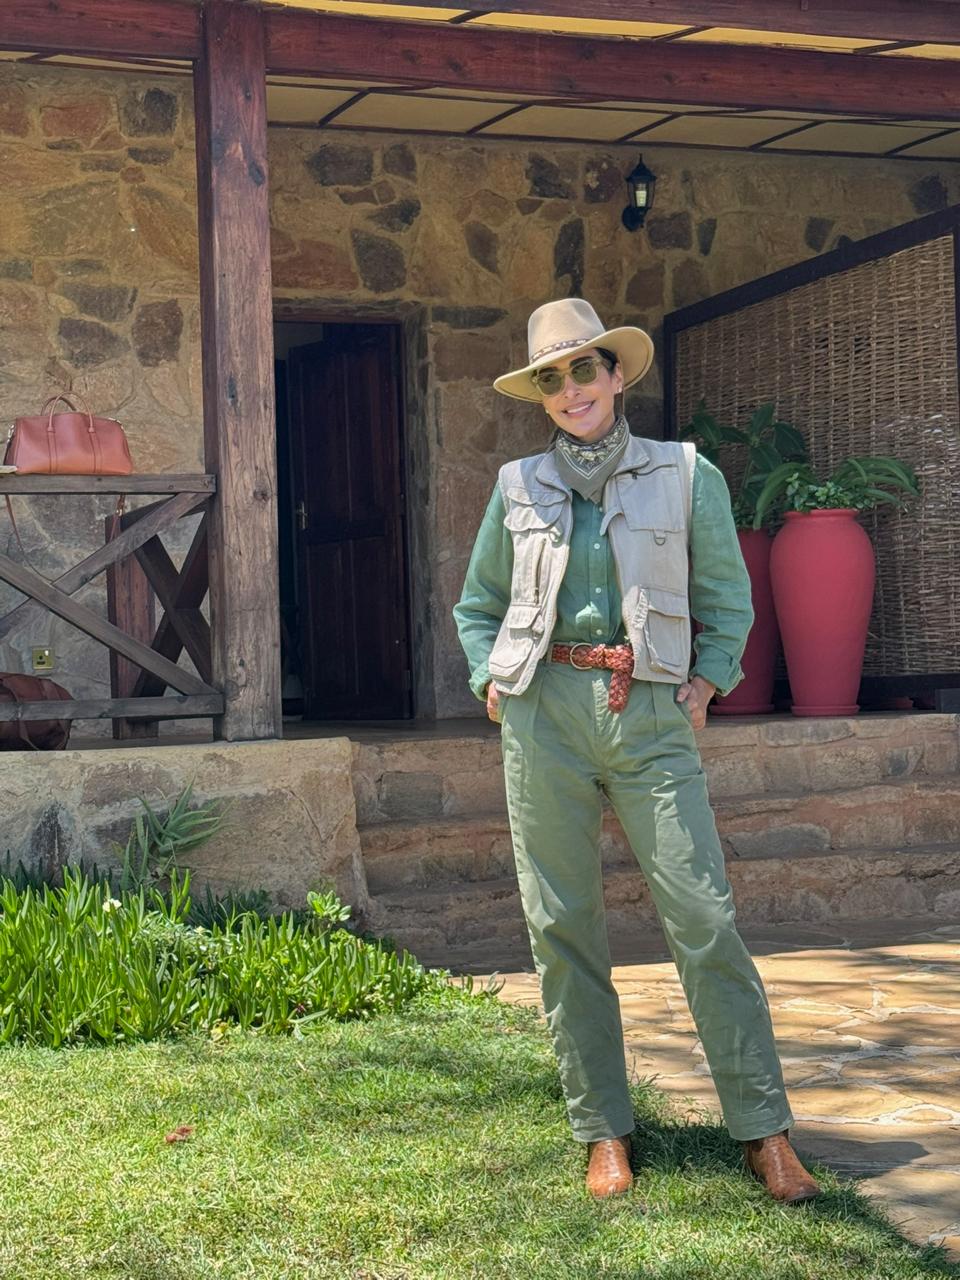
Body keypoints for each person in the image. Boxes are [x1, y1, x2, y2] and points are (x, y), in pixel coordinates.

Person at [453, 298, 820, 1204]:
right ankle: (603, 1132)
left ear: (616, 376)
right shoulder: (516, 486)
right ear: (542, 395)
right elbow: (478, 605)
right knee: (561, 925)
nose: (571, 389)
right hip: (543, 716)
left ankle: (765, 1132)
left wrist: (707, 681)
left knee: (703, 915)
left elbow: (727, 597)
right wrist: (488, 677)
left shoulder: (687, 474)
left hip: (648, 710)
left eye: (585, 369)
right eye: (552, 378)